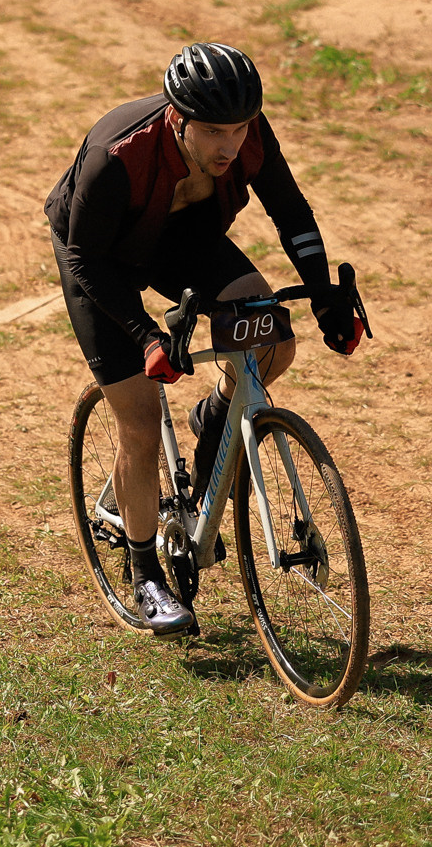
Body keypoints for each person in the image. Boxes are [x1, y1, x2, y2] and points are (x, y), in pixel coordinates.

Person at [45, 43, 363, 636]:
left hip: (181, 238)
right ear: (177, 118)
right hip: (101, 261)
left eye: (239, 130)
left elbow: (290, 211)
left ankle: (216, 415)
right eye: (214, 131)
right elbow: (86, 259)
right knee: (138, 422)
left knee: (273, 340)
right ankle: (144, 576)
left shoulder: (251, 137)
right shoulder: (119, 155)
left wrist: (325, 297)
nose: (229, 146)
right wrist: (144, 336)